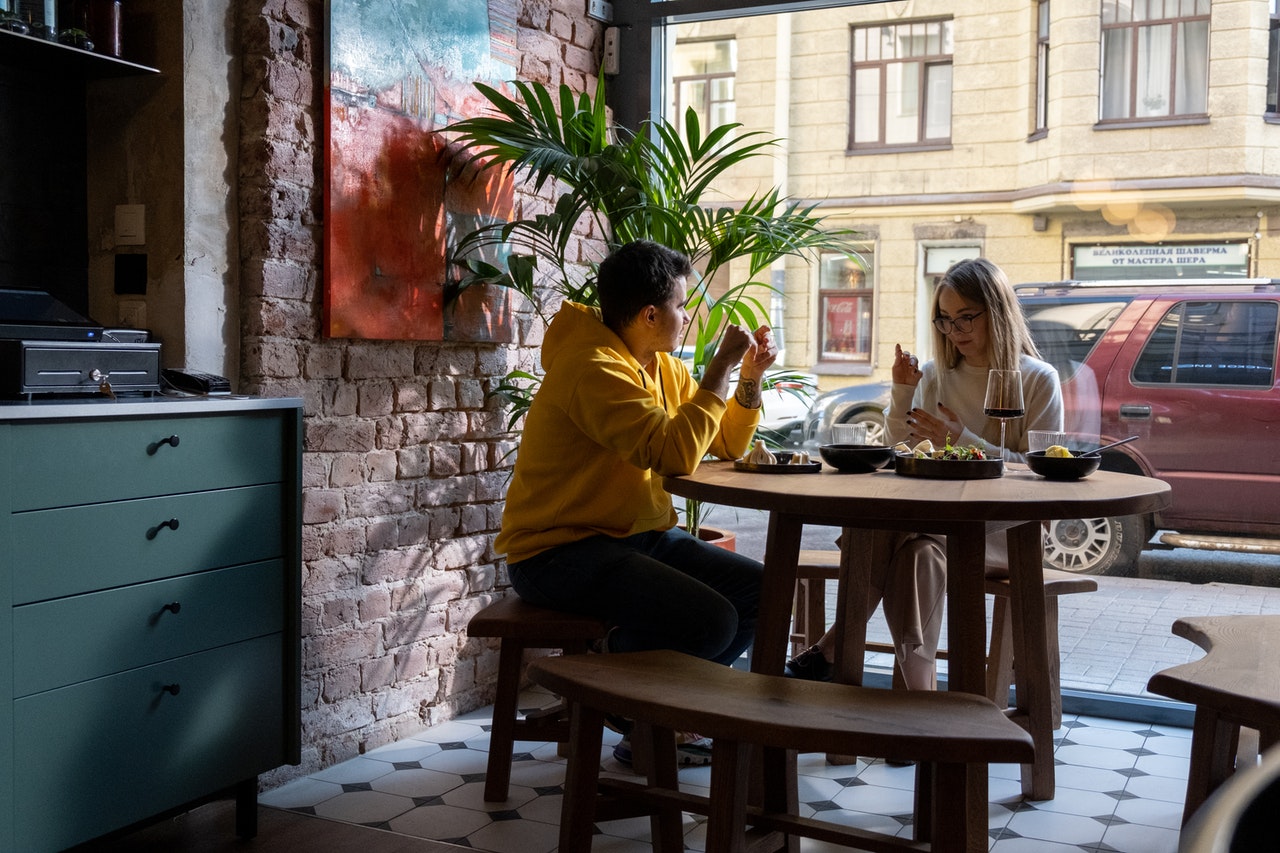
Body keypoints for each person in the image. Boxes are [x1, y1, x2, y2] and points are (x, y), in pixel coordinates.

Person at [494, 239, 775, 764]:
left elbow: (722, 444)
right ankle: (629, 705)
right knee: (711, 620)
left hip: (635, 537)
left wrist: (748, 380)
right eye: (681, 305)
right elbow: (671, 455)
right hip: (558, 552)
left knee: (762, 592)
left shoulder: (660, 366)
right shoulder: (592, 367)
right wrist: (717, 371)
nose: (687, 315)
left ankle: (650, 717)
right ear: (650, 313)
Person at [787, 257, 1064, 690]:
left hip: (1008, 531)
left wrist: (963, 439)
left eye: (967, 317)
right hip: (935, 528)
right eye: (946, 320)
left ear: (998, 311)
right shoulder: (937, 376)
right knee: (917, 555)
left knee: (878, 529)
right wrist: (902, 391)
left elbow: (1039, 472)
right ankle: (923, 704)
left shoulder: (1037, 379)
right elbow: (906, 448)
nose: (956, 331)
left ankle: (832, 648)